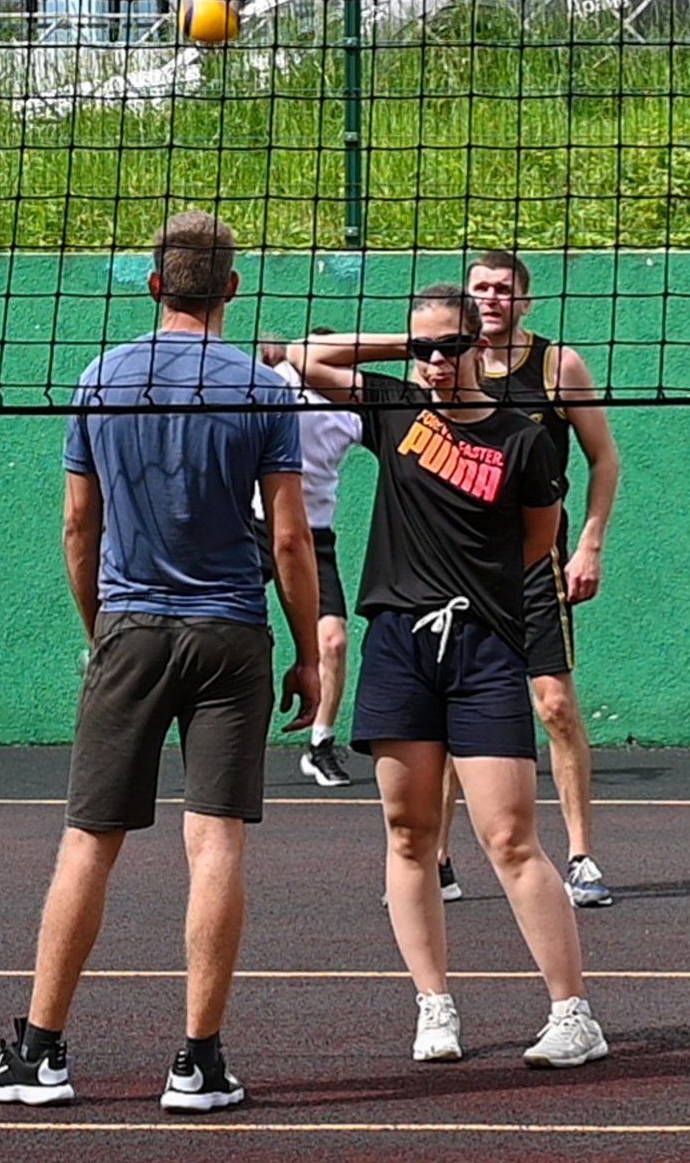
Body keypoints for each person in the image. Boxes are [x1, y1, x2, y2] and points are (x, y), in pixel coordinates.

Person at [0, 210, 322, 1115]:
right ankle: (198, 1065)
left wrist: (101, 629)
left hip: (131, 627)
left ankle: (39, 1055)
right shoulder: (263, 390)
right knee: (217, 844)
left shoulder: (101, 376)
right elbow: (289, 538)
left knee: (89, 842)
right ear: (233, 290)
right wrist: (313, 654)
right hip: (232, 633)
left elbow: (79, 525)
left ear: (156, 285)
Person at [288, 284, 608, 1070]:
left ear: (478, 348)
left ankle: (574, 1013)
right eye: (423, 348)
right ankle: (435, 1006)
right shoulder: (394, 407)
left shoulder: (521, 438)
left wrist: (481, 598)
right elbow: (302, 356)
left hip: (485, 645)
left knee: (508, 836)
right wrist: (402, 345)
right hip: (399, 644)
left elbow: (539, 539)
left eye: (449, 347)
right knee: (409, 835)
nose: (435, 362)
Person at [430, 248, 625, 909]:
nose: (490, 298)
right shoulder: (441, 363)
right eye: (479, 288)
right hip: (459, 566)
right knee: (452, 713)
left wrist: (590, 545)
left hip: (537, 561)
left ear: (525, 300)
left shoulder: (556, 365)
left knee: (556, 705)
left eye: (503, 288)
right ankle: (437, 858)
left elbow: (603, 459)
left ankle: (581, 856)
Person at [254, 339, 365, 789]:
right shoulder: (278, 384)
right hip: (255, 525)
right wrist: (274, 356)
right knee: (232, 632)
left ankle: (320, 744)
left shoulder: (354, 410)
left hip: (314, 537)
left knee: (334, 643)